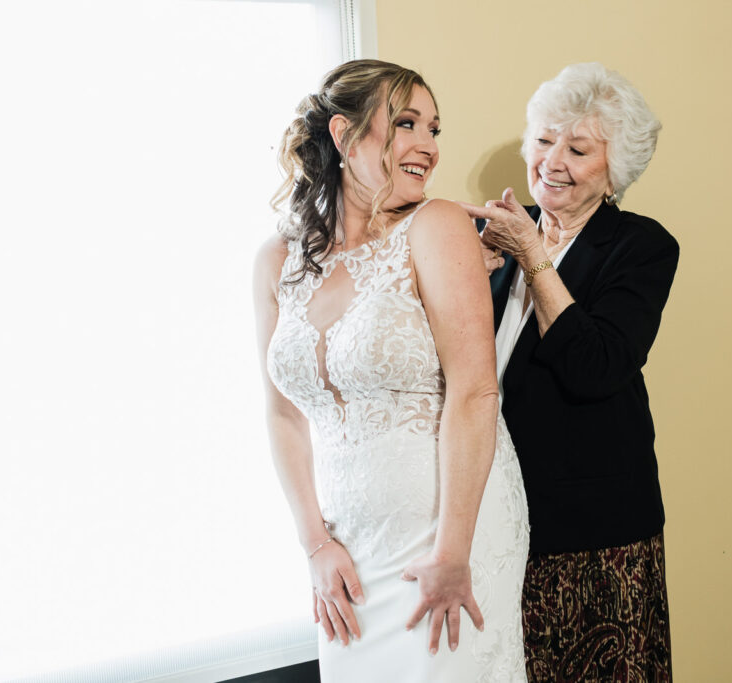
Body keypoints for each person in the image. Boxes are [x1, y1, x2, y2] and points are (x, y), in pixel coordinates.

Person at [252, 60, 529, 682]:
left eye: (435, 129)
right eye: (406, 123)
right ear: (345, 136)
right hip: (348, 551)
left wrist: (454, 552)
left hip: (446, 533)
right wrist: (315, 545)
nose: (427, 146)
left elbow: (476, 390)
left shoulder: (436, 227)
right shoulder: (276, 261)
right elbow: (282, 414)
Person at [461, 62, 678, 682]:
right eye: (544, 139)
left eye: (578, 148)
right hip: (498, 510)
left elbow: (596, 366)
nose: (552, 160)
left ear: (615, 172)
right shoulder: (498, 232)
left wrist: (533, 257)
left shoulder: (642, 247)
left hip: (596, 529)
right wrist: (476, 269)